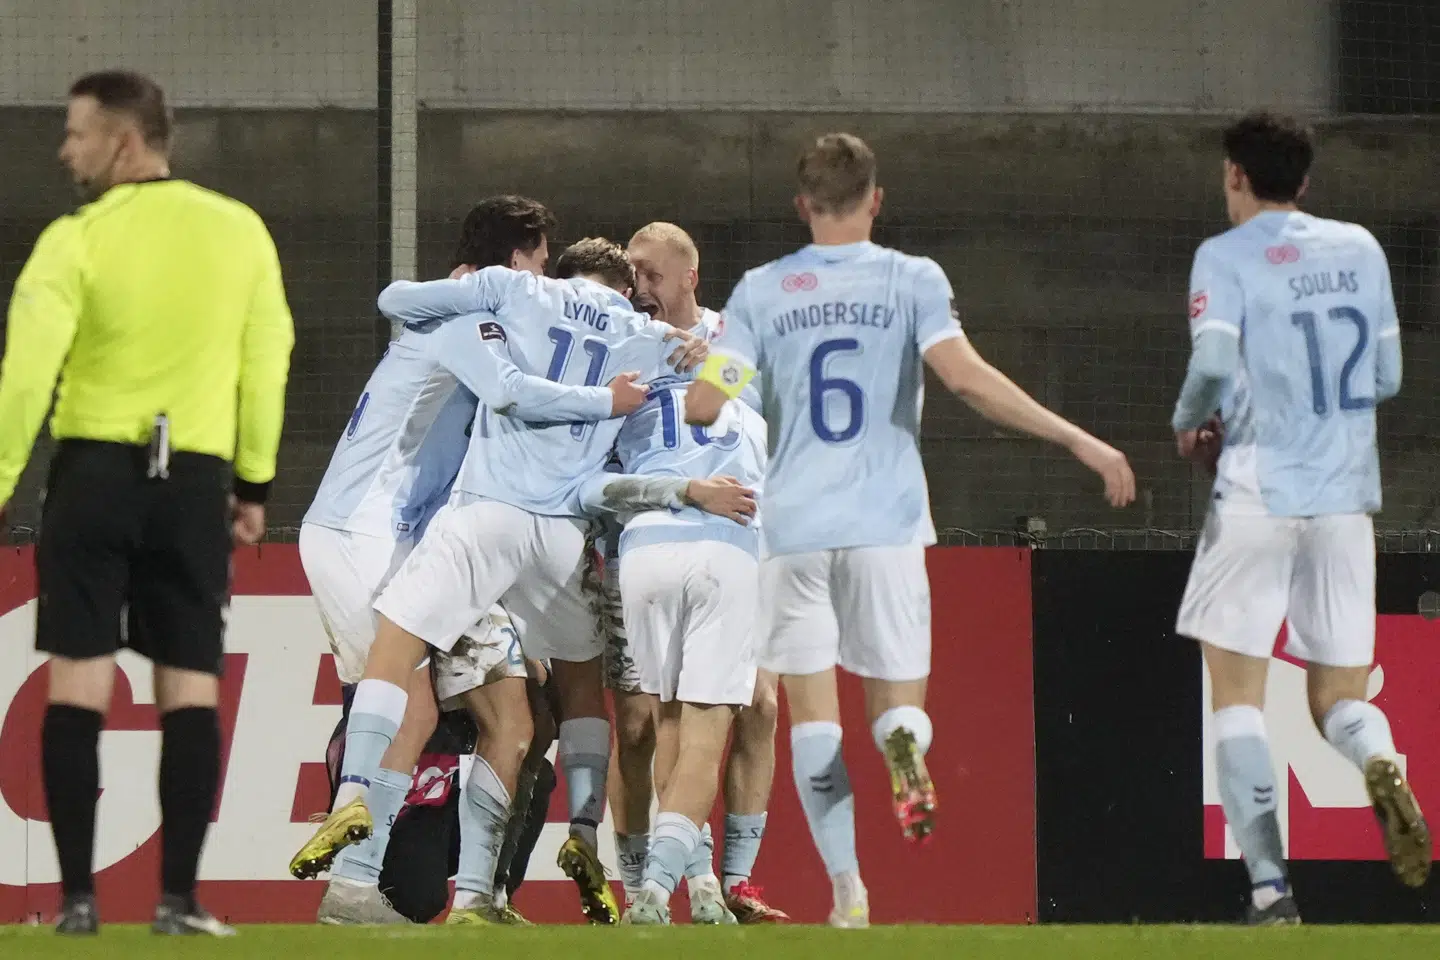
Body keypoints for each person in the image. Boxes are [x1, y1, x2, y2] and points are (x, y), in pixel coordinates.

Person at [687, 132, 1134, 927]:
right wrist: (1076, 439)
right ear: (876, 200)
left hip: (794, 529)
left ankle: (848, 892)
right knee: (896, 706)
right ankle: (902, 743)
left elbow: (705, 404)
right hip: (884, 523)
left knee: (813, 718)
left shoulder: (761, 291)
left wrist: (712, 364)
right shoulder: (911, 279)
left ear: (801, 205)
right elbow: (965, 378)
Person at [294, 238, 746, 926]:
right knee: (572, 692)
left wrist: (463, 288)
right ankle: (566, 841)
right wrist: (700, 353)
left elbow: (399, 304)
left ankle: (357, 802)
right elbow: (737, 371)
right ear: (624, 287)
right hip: (564, 534)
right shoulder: (641, 332)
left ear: (559, 272)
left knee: (398, 646)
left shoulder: (516, 294)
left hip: (484, 516)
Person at [0, 70, 295, 936]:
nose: (66, 150)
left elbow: (25, 374)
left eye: (77, 133)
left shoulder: (75, 239)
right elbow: (267, 360)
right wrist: (252, 484)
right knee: (190, 686)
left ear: (122, 142)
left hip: (92, 478)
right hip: (194, 484)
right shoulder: (238, 230)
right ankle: (180, 902)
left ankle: (77, 903)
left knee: (78, 680)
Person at [1171, 111, 1429, 924]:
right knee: (1339, 699)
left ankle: (1271, 891)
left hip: (1257, 492)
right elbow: (1387, 375)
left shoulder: (1224, 254)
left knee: (1237, 698)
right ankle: (1380, 759)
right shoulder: (1362, 249)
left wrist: (1189, 422)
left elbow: (1214, 361)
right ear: (1307, 180)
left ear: (1235, 176)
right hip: (1345, 499)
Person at [605, 222, 786, 923]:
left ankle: (731, 882)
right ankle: (683, 882)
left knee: (758, 705)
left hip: (743, 530)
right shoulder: (620, 343)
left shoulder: (735, 337)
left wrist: (721, 364)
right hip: (669, 535)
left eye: (653, 274)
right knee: (661, 719)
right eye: (633, 274)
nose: (640, 286)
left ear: (690, 279)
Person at [575, 371, 766, 926]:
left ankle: (695, 890)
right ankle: (656, 890)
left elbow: (586, 488)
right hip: (727, 551)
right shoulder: (752, 392)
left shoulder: (626, 387)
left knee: (668, 727)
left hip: (644, 552)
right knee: (702, 736)